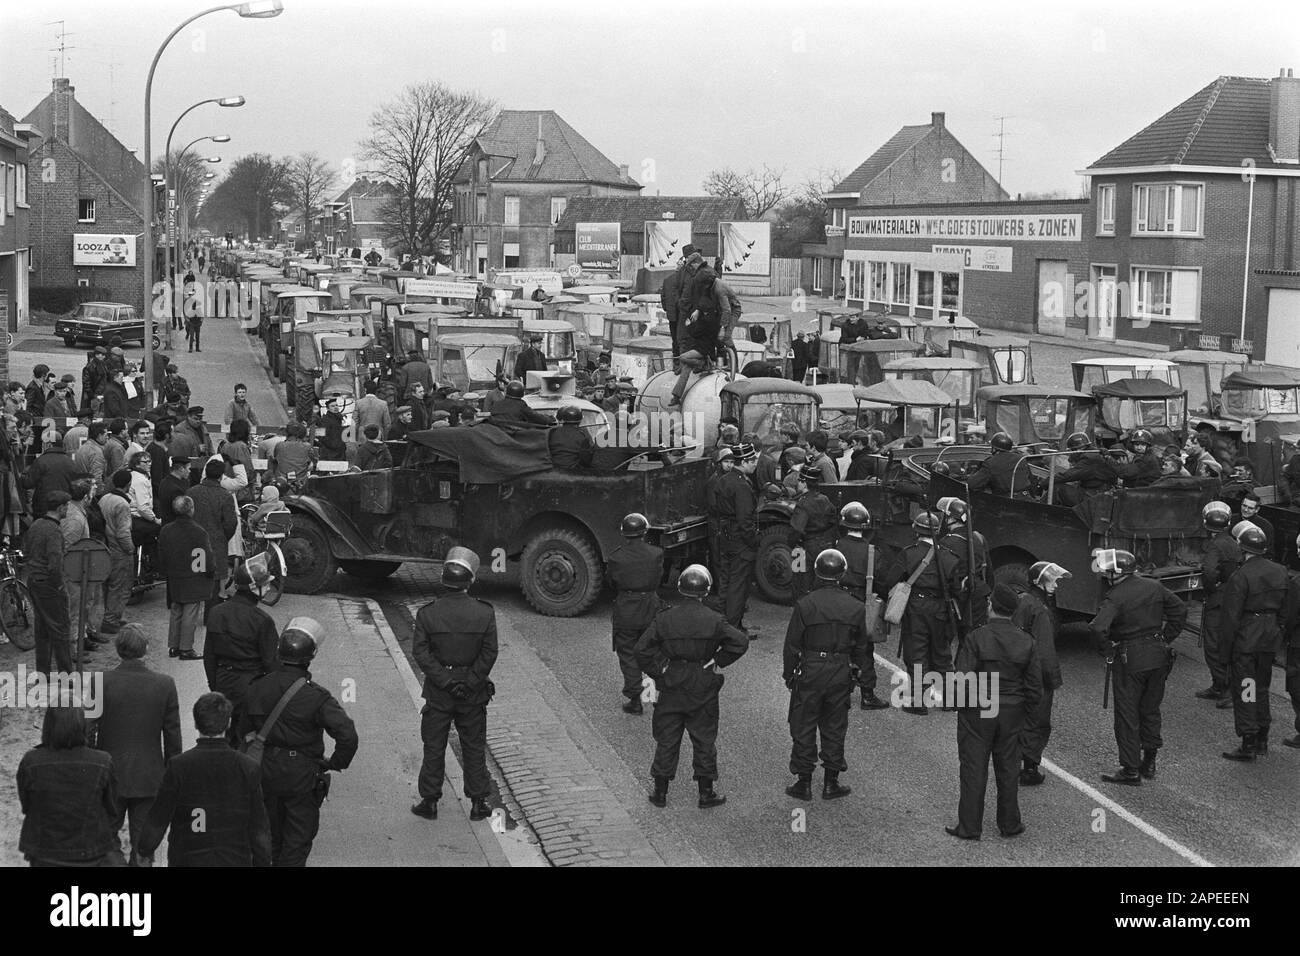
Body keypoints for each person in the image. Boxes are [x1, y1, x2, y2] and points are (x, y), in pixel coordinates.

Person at [241, 618, 359, 866]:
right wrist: (335, 763)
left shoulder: (257, 686)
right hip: (301, 774)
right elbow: (347, 734)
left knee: (266, 836)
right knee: (297, 840)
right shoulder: (316, 696)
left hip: (264, 769)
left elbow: (243, 730)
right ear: (310, 657)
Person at [636, 564, 748, 809]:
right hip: (702, 681)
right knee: (704, 739)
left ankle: (660, 792)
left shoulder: (665, 618)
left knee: (667, 738)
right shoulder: (714, 619)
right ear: (705, 591)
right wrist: (718, 660)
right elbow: (740, 642)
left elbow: (641, 650)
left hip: (672, 681)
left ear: (680, 588)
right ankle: (706, 793)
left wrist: (659, 669)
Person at [945, 583, 1043, 841]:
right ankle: (1009, 823)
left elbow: (963, 677)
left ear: (991, 606)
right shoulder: (1027, 641)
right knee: (1009, 767)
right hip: (1011, 710)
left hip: (979, 708)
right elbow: (1034, 686)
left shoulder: (977, 637)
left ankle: (969, 827)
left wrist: (958, 706)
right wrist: (1026, 712)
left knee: (973, 767)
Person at [410, 549, 497, 822]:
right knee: (473, 745)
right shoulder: (484, 613)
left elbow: (421, 653)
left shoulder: (427, 614)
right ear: (469, 582)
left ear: (443, 581)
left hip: (439, 691)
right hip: (473, 692)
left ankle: (430, 801)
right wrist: (469, 683)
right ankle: (478, 803)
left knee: (434, 746)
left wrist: (447, 682)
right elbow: (489, 653)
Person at [138, 692, 272, 866]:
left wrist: (145, 849)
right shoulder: (247, 767)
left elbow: (159, 816)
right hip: (234, 859)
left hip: (187, 858)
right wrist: (263, 861)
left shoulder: (179, 766)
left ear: (195, 723)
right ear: (229, 723)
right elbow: (258, 826)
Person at [1089, 548, 1187, 785]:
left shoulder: (1116, 596)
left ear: (1116, 573)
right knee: (1150, 710)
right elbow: (1180, 610)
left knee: (1127, 714)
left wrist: (1108, 650)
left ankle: (1130, 769)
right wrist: (1165, 638)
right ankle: (1149, 761)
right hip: (1158, 655)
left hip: (1130, 659)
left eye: (1107, 571)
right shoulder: (1153, 586)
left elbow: (1097, 628)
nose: (1104, 574)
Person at [783, 548, 871, 801]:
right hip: (840, 669)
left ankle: (804, 781)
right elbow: (861, 647)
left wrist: (789, 675)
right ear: (842, 574)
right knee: (834, 726)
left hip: (810, 668)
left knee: (804, 724)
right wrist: (859, 676)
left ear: (817, 572)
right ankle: (831, 782)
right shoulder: (855, 607)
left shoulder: (805, 604)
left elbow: (792, 645)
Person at [91, 624, 182, 866]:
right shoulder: (165, 685)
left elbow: (88, 732)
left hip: (109, 776)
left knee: (106, 840)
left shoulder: (99, 682)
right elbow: (173, 739)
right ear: (146, 649)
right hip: (149, 777)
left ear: (119, 650)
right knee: (144, 845)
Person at [883, 511, 965, 714]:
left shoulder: (908, 553)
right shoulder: (949, 556)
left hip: (916, 609)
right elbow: (957, 589)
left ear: (916, 531)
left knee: (917, 653)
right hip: (941, 610)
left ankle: (918, 701)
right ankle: (950, 699)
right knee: (942, 655)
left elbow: (890, 580)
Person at [16, 705, 119, 867]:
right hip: (90, 852)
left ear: (48, 726)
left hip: (45, 851)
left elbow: (27, 805)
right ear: (82, 726)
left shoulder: (31, 761)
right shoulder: (103, 761)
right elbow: (111, 807)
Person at [1220, 525, 1288, 760]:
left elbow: (1230, 617)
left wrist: (1224, 652)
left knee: (1247, 690)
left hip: (1247, 642)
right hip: (1269, 641)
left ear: (1242, 549)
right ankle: (1262, 738)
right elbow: (1286, 610)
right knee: (1262, 688)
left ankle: (1249, 741)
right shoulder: (1280, 571)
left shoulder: (1240, 576)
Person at [205, 561, 279, 739]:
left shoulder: (216, 613)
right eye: (265, 584)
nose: (268, 588)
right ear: (254, 588)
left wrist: (215, 685)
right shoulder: (262, 620)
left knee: (226, 736)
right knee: (249, 740)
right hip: (252, 686)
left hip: (223, 681)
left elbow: (209, 656)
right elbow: (271, 664)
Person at [1014, 561, 1071, 786]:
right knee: (1037, 721)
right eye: (1053, 581)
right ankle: (1029, 769)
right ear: (1040, 582)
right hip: (1034, 675)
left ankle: (1009, 762)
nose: (1056, 585)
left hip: (1015, 671)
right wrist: (1052, 679)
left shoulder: (1019, 600)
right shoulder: (1040, 610)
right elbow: (1045, 650)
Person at [607, 513, 664, 715]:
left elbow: (611, 583)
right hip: (650, 607)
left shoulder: (616, 557)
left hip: (626, 610)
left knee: (628, 656)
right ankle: (657, 696)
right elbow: (659, 579)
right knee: (653, 652)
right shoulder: (656, 554)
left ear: (624, 533)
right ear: (645, 531)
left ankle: (635, 700)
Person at [836, 501, 890, 710]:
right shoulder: (872, 552)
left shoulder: (836, 546)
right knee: (864, 650)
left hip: (839, 601)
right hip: (861, 603)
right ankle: (867, 695)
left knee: (839, 647)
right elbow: (882, 583)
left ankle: (840, 692)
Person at [157, 494, 215, 660]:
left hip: (174, 574)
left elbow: (162, 554)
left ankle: (173, 646)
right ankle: (186, 648)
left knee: (176, 609)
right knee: (190, 611)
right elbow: (206, 556)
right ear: (191, 509)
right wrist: (210, 572)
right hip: (193, 575)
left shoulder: (166, 530)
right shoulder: (199, 531)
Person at [1197, 501, 1240, 708]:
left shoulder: (1215, 545)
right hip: (1232, 597)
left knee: (1213, 644)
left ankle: (1224, 686)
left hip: (1218, 599)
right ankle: (1220, 686)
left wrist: (1211, 589)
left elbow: (1209, 571)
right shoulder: (1233, 542)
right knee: (1227, 642)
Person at [25, 490, 73, 675]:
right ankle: (66, 674)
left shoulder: (36, 524)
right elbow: (55, 564)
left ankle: (43, 673)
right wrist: (60, 585)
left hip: (34, 580)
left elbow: (27, 549)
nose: (68, 509)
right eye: (66, 506)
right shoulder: (53, 531)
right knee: (60, 630)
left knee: (42, 630)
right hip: (48, 584)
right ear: (61, 508)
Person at [714, 443, 760, 635]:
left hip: (725, 536)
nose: (756, 464)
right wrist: (754, 542)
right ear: (746, 461)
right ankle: (733, 628)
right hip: (740, 540)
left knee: (725, 581)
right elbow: (745, 520)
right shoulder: (741, 485)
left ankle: (722, 622)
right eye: (753, 461)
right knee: (738, 585)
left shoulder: (723, 480)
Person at [668, 268, 724, 407]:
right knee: (686, 368)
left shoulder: (707, 320)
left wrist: (689, 323)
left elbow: (695, 332)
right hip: (702, 348)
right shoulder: (711, 317)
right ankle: (676, 395)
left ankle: (704, 364)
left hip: (704, 350)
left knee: (682, 358)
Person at [61, 479, 105, 653]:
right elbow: (67, 549)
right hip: (74, 573)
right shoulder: (75, 518)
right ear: (86, 497)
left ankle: (82, 638)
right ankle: (74, 650)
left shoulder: (78, 512)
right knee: (75, 610)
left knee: (83, 607)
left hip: (80, 571)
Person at [936, 495, 991, 636]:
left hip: (959, 599)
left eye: (946, 516)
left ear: (952, 518)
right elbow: (989, 573)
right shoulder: (979, 538)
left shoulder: (947, 542)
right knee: (972, 644)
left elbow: (942, 576)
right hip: (979, 596)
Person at [190, 459, 238, 618]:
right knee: (215, 581)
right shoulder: (225, 496)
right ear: (221, 476)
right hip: (216, 544)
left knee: (196, 578)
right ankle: (210, 619)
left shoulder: (191, 492)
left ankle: (191, 616)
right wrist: (223, 537)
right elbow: (231, 524)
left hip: (196, 544)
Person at [788, 468, 837, 600]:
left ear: (804, 483)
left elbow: (797, 529)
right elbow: (833, 519)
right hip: (824, 544)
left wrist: (790, 544)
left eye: (799, 480)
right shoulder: (824, 499)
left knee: (800, 581)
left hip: (805, 547)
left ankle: (801, 606)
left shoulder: (803, 504)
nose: (797, 483)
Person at [99, 471, 135, 640]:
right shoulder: (122, 504)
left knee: (109, 585)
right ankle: (111, 620)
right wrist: (130, 548)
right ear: (128, 485)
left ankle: (111, 616)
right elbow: (123, 532)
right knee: (120, 586)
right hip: (119, 550)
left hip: (105, 547)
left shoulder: (104, 498)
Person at [24, 428, 84, 516]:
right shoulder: (70, 462)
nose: (42, 446)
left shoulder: (41, 461)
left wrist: (22, 475)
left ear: (49, 444)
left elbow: (28, 483)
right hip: (64, 506)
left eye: (43, 443)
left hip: (43, 507)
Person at [1053, 432, 1117, 506]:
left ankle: (1038, 513)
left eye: (1071, 451)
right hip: (1096, 492)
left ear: (1078, 449)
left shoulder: (1089, 458)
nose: (1070, 453)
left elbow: (1069, 475)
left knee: (1057, 489)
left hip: (1093, 497)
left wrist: (1046, 482)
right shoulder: (1094, 454)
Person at [965, 432, 1024, 496]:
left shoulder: (990, 462)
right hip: (1027, 499)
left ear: (994, 448)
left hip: (1006, 501)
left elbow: (972, 484)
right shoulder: (1021, 458)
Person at [548, 404, 593, 469]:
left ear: (563, 419)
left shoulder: (552, 432)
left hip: (553, 471)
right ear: (580, 421)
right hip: (573, 473)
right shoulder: (582, 436)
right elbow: (586, 461)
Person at [157, 456, 192, 525]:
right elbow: (181, 511)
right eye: (188, 468)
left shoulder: (164, 481)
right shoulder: (176, 489)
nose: (190, 471)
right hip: (174, 524)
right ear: (181, 469)